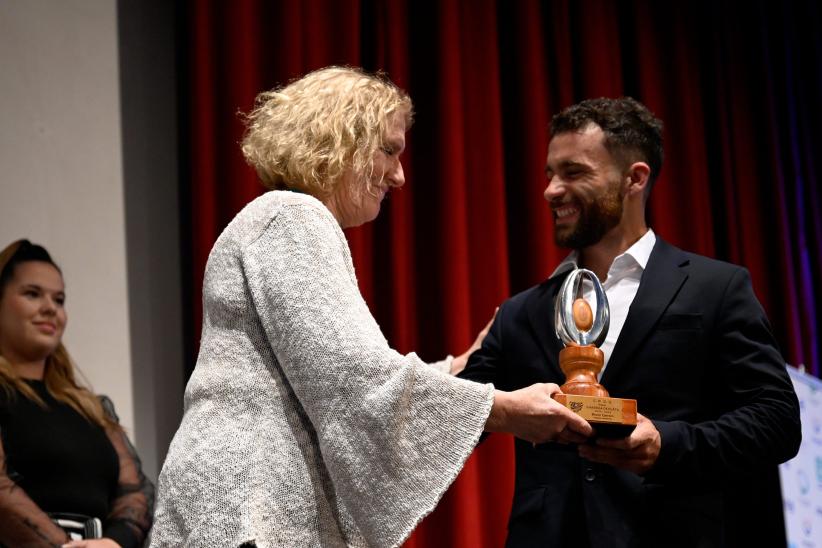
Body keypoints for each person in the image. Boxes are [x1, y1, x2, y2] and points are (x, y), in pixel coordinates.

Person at [149, 66, 592, 548]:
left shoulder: (273, 217)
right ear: (341, 138)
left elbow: (323, 370)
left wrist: (459, 368)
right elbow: (349, 376)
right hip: (252, 507)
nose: (400, 176)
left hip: (239, 501)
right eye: (390, 150)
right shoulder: (293, 217)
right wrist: (502, 410)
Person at [459, 97, 801, 547]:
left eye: (573, 172)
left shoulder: (715, 287)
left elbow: (777, 422)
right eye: (549, 174)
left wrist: (667, 443)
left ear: (634, 178)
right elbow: (454, 421)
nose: (551, 190)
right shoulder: (521, 312)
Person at [0, 239, 154, 548]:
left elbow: (135, 493)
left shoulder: (93, 408)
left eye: (59, 300)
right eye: (32, 294)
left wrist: (113, 543)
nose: (50, 309)